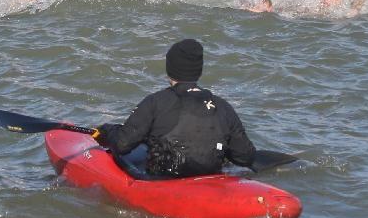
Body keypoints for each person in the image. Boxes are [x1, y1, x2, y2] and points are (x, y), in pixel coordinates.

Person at [94, 39, 256, 178]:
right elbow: (245, 157)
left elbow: (123, 144)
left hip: (166, 181)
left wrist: (107, 130)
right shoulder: (223, 107)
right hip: (206, 179)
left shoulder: (156, 102)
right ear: (198, 71)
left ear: (170, 69)